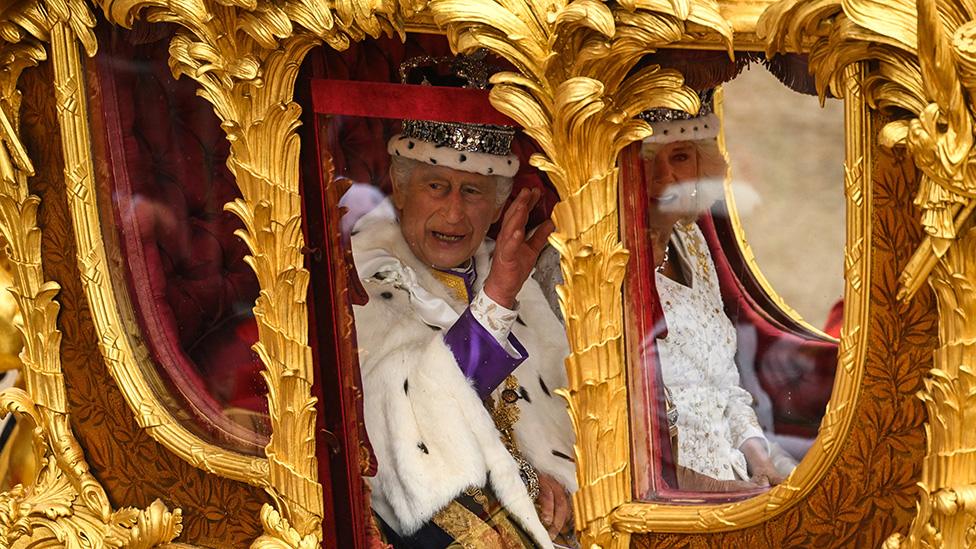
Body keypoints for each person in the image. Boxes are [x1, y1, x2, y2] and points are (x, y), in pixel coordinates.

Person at [350, 87, 577, 546]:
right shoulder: (366, 279)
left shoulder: (519, 279)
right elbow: (418, 428)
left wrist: (562, 486)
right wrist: (496, 298)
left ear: (497, 205)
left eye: (472, 191)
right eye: (436, 186)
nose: (453, 212)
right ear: (399, 189)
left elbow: (566, 413)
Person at [640, 92, 788, 491]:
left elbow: (724, 384)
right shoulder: (595, 261)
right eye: (645, 156)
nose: (664, 176)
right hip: (670, 493)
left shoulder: (691, 241)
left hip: (736, 473)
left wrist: (762, 462)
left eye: (680, 157)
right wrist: (727, 493)